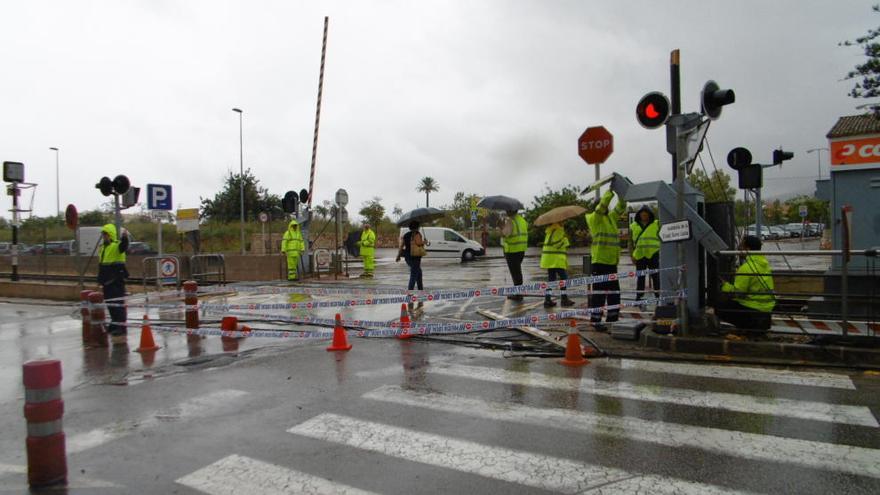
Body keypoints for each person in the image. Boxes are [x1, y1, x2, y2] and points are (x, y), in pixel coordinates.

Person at [716, 235, 775, 330]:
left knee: (720, 307)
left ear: (747, 248)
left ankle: (748, 327)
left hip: (754, 308)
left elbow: (738, 293)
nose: (739, 249)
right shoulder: (764, 263)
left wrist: (724, 285)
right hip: (766, 308)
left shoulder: (746, 268)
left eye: (741, 247)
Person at [586, 189, 626, 326]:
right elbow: (602, 206)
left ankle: (612, 320)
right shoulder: (594, 218)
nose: (606, 207)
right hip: (600, 261)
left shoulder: (611, 218)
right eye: (604, 205)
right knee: (599, 294)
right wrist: (610, 192)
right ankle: (596, 320)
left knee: (614, 293)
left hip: (611, 262)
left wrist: (622, 193)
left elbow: (621, 207)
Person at [97, 223, 129, 345]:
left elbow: (124, 246)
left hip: (116, 280)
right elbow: (101, 265)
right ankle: (114, 324)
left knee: (117, 304)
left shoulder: (116, 246)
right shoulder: (103, 248)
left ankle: (121, 327)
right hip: (106, 281)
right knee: (110, 304)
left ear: (110, 235)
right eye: (103, 234)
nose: (103, 236)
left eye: (105, 234)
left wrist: (125, 237)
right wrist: (100, 280)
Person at [629, 205, 661, 301]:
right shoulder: (633, 226)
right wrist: (631, 255)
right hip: (639, 255)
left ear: (649, 215)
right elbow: (630, 242)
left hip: (653, 254)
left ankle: (658, 295)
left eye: (646, 214)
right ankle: (639, 296)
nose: (644, 216)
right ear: (639, 215)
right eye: (642, 214)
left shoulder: (656, 224)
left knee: (656, 277)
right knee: (640, 278)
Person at [540, 222, 575, 308]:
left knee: (551, 280)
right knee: (564, 279)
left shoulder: (550, 230)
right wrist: (566, 240)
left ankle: (547, 300)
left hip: (549, 259)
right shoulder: (559, 230)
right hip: (556, 259)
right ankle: (564, 299)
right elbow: (557, 244)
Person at [501, 210, 528, 301]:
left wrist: (501, 227)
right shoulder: (522, 220)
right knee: (518, 272)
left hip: (512, 250)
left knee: (515, 273)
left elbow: (505, 234)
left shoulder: (510, 221)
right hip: (521, 249)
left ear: (510, 211)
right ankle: (519, 292)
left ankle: (518, 294)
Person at [396, 221, 425, 290]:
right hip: (416, 258)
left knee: (419, 273)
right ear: (417, 227)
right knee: (414, 274)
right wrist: (425, 242)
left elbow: (401, 246)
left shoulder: (406, 235)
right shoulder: (417, 234)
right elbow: (419, 244)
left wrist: (398, 256)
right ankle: (410, 293)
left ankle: (420, 289)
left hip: (408, 257)